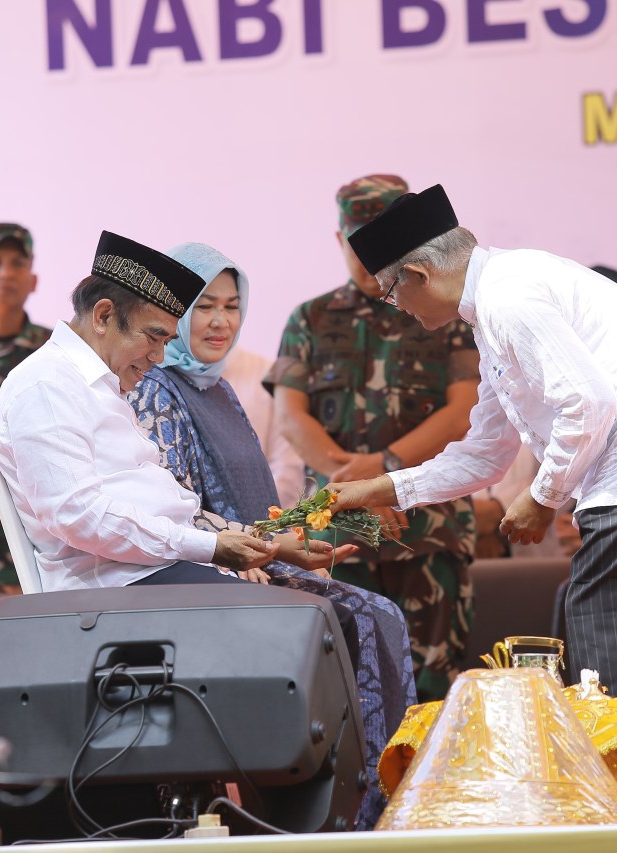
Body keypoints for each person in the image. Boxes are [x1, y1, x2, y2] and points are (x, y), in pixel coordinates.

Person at [127, 242, 417, 830]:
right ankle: (359, 818)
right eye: (203, 305)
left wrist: (292, 542)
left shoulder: (222, 389)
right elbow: (171, 515)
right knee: (362, 615)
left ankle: (381, 809)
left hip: (250, 560)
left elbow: (253, 505)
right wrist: (247, 555)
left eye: (232, 306)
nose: (220, 321)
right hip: (205, 573)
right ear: (172, 312)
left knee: (374, 612)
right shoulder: (156, 388)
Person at [325, 183, 617, 696]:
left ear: (418, 274)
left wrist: (542, 496)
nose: (397, 308)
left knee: (597, 660)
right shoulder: (492, 306)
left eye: (391, 293)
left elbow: (589, 404)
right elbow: (485, 451)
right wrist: (382, 489)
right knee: (585, 635)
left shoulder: (508, 297)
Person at [0, 230, 351, 595]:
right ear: (104, 316)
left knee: (328, 613)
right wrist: (212, 548)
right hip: (114, 585)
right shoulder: (46, 386)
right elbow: (78, 517)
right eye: (153, 338)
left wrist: (261, 542)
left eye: (166, 342)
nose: (158, 358)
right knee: (304, 618)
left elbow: (166, 508)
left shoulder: (101, 384)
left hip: (161, 571)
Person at [264, 175, 481, 702]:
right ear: (339, 239)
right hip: (336, 535)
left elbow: (462, 412)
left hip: (427, 528)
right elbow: (291, 418)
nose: (366, 256)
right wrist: (356, 482)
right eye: (355, 240)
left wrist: (383, 473)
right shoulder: (309, 319)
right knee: (348, 693)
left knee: (435, 694)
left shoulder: (445, 307)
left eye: (379, 238)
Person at [0, 223, 51, 594]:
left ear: (32, 279)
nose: (5, 272)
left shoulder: (54, 355)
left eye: (17, 263)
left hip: (25, 557)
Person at [222, 346, 305, 506]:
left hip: (259, 522)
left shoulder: (265, 375)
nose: (219, 322)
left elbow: (287, 469)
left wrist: (252, 524)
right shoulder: (162, 374)